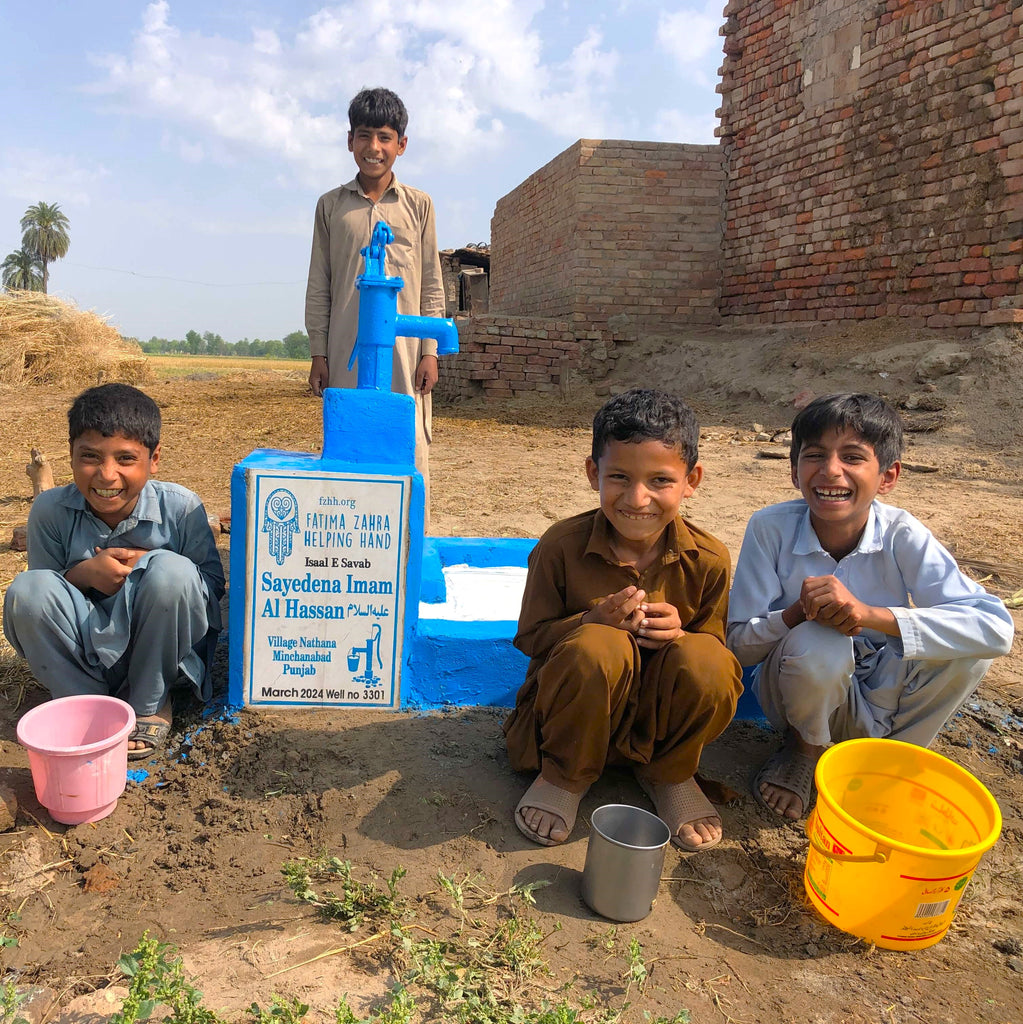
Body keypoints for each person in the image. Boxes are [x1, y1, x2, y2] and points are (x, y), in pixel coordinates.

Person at [728, 393, 1014, 820]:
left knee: (968, 648)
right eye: (815, 455)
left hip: (880, 690)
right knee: (818, 638)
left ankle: (887, 762)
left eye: (853, 457)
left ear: (888, 476)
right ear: (794, 472)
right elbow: (738, 647)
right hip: (800, 688)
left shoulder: (902, 533)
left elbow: (995, 628)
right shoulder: (770, 528)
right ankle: (805, 750)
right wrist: (794, 615)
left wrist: (867, 615)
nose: (830, 471)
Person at [504, 389, 743, 852]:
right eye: (618, 477)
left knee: (707, 660)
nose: (638, 498)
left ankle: (670, 775)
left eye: (660, 480)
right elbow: (530, 639)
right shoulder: (561, 546)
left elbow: (713, 653)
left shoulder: (708, 558)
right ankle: (566, 777)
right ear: (593, 473)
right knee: (599, 646)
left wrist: (680, 634)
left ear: (691, 480)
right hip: (571, 722)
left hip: (658, 727)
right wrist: (590, 620)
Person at [3, 384, 225, 760]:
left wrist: (149, 570)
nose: (107, 475)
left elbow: (213, 587)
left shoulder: (182, 508)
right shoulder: (50, 510)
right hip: (83, 654)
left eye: (125, 459)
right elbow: (43, 599)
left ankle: (148, 704)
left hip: (158, 655)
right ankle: (87, 705)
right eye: (90, 457)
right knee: (27, 589)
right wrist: (83, 575)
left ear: (154, 460)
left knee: (172, 573)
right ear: (70, 456)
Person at [305, 86, 445, 515]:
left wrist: (430, 351)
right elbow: (320, 283)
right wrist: (318, 352)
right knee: (351, 440)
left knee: (408, 441)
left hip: (404, 352)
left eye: (385, 137)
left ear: (401, 145)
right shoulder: (331, 206)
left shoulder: (418, 206)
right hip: (347, 354)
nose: (374, 148)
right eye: (364, 136)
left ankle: (407, 538)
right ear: (350, 141)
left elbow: (432, 283)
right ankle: (355, 543)